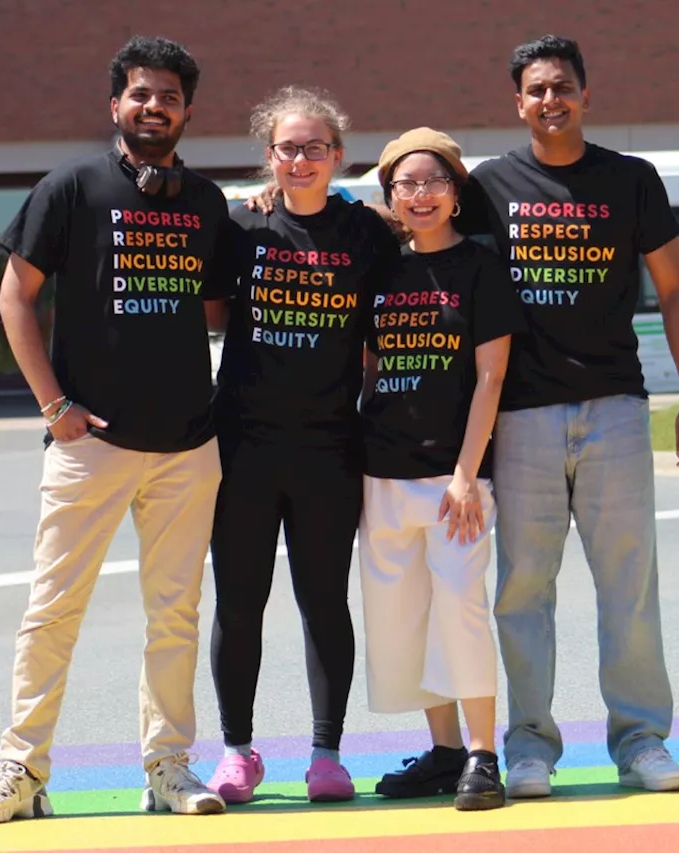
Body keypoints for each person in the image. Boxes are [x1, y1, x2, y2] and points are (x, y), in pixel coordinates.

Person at [0, 35, 235, 825]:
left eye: (170, 96)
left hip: (186, 445)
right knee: (52, 610)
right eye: (141, 94)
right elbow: (16, 297)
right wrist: (54, 407)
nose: (155, 107)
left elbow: (215, 306)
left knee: (175, 615)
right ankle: (21, 770)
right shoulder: (70, 188)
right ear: (116, 106)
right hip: (90, 445)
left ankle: (168, 765)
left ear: (186, 111)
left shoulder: (204, 202)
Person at [453, 35, 679, 798]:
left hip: (616, 406)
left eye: (562, 86)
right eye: (535, 90)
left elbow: (674, 290)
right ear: (518, 102)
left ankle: (641, 741)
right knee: (523, 588)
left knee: (627, 583)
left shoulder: (630, 180)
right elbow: (413, 226)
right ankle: (530, 746)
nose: (549, 100)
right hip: (523, 413)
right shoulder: (490, 184)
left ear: (586, 95)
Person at [197, 86, 400, 805]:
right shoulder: (238, 226)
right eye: (289, 147)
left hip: (328, 446)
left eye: (317, 146)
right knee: (239, 601)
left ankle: (326, 753)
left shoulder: (367, 232)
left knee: (323, 601)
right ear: (269, 157)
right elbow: (213, 311)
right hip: (244, 443)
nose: (303, 158)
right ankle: (236, 753)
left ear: (338, 155)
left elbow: (404, 275)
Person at [358, 129, 525, 812]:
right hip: (382, 472)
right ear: (390, 196)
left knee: (461, 608)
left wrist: (465, 473)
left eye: (433, 182)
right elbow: (370, 366)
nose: (420, 195)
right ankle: (445, 750)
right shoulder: (382, 270)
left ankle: (485, 754)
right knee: (406, 617)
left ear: (456, 192)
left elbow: (491, 378)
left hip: (453, 477)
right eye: (406, 184)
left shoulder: (481, 269)